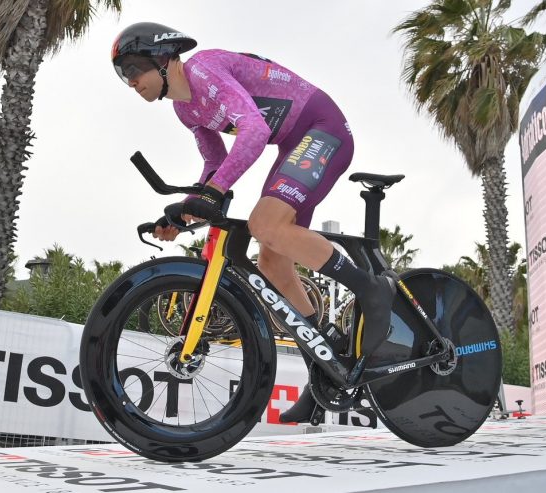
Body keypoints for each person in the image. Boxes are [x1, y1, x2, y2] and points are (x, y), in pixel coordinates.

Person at [111, 22, 396, 423]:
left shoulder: (203, 71)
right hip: (295, 143)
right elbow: (214, 166)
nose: (131, 81)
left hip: (322, 128)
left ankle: (371, 289)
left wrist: (211, 193)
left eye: (134, 69)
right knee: (272, 263)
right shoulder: (185, 109)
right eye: (123, 75)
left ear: (163, 60)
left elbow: (255, 130)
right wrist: (182, 211)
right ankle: (327, 367)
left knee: (265, 223)